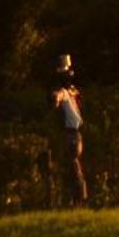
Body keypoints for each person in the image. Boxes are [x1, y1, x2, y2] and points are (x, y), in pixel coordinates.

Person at [51, 54, 88, 206]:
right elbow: (59, 95)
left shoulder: (68, 92)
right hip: (74, 134)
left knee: (73, 166)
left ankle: (79, 196)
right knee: (74, 165)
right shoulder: (69, 93)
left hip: (73, 134)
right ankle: (78, 197)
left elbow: (59, 95)